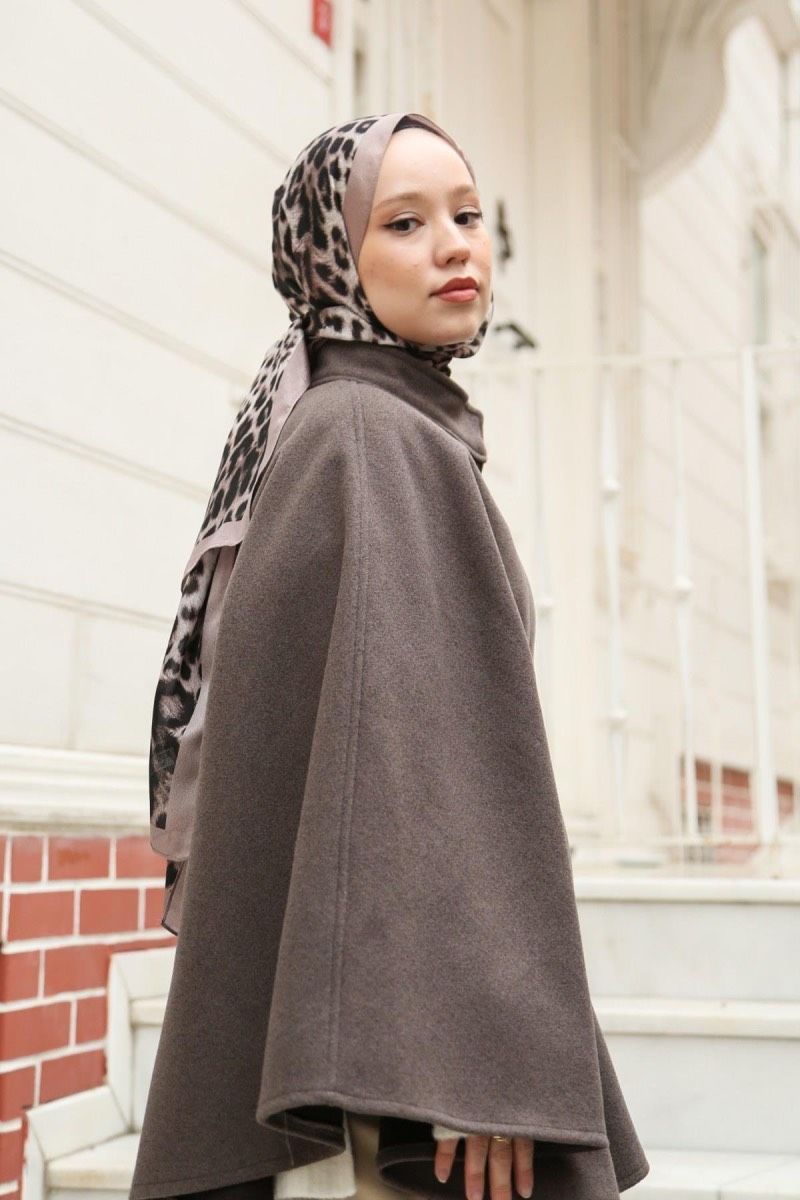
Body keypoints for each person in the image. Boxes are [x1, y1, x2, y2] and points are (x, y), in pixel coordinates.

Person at [131, 113, 650, 1200]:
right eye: (404, 223)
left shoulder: (363, 426)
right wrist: (473, 1058)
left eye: (467, 214)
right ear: (332, 259)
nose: (454, 245)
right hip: (399, 1068)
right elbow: (407, 783)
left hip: (372, 1032)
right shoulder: (372, 438)